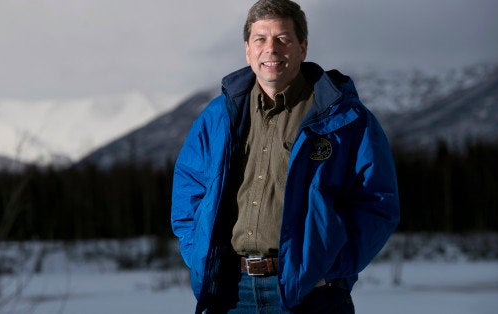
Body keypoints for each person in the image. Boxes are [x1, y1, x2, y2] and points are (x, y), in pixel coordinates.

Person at [171, 0, 400, 312]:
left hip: (311, 294)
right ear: (247, 50)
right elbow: (188, 190)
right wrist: (197, 250)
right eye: (260, 39)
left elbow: (378, 203)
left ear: (303, 48)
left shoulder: (346, 118)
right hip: (231, 294)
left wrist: (330, 267)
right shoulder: (217, 116)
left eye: (283, 39)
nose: (271, 50)